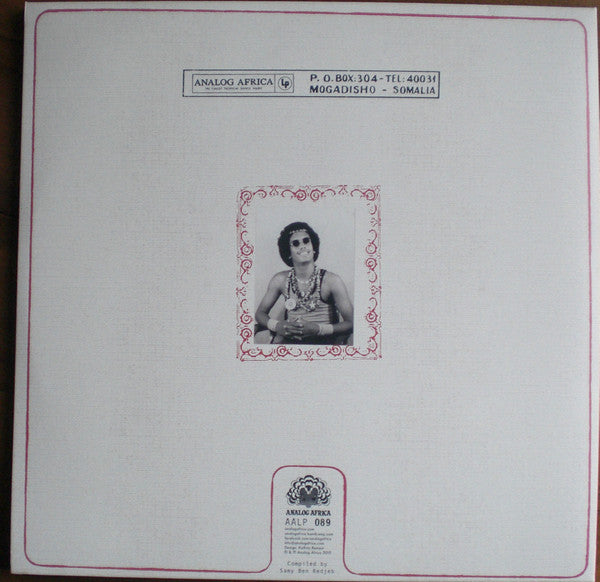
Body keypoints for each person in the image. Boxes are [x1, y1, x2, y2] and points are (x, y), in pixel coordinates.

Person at [255, 222, 353, 344]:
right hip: (290, 343)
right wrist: (277, 326)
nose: (302, 246)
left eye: (306, 241)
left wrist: (319, 329)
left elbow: (352, 322)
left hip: (323, 345)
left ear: (313, 248)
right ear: (288, 253)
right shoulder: (280, 279)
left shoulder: (332, 281)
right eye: (296, 243)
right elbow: (260, 314)